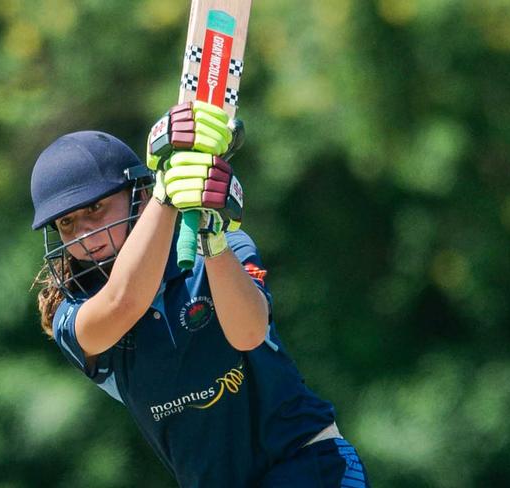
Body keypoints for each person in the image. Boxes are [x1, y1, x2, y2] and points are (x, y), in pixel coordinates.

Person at [30, 102, 370, 487]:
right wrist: (168, 191)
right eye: (67, 223)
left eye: (96, 207)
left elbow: (249, 333)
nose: (85, 234)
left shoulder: (229, 244)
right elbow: (124, 301)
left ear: (137, 195)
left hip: (306, 466)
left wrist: (212, 240)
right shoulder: (71, 312)